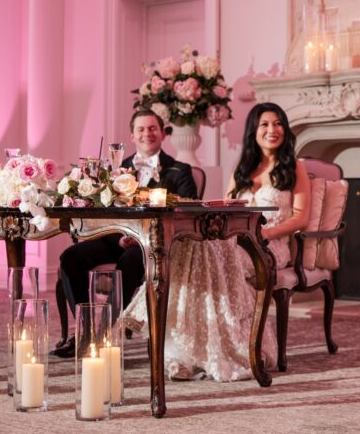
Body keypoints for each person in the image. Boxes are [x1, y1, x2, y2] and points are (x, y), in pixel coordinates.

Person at [121, 102, 311, 381]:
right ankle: (185, 353)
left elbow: (301, 218)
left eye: (278, 123)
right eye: (265, 125)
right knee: (193, 247)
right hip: (234, 240)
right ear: (254, 132)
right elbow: (224, 207)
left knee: (209, 257)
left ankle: (208, 348)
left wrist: (264, 234)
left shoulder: (294, 167)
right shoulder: (243, 168)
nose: (272, 130)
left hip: (270, 245)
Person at [52, 108, 197, 357]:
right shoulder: (116, 169)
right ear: (131, 135)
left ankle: (105, 332)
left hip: (153, 244)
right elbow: (104, 212)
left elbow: (187, 210)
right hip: (115, 238)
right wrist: (119, 238)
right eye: (141, 129)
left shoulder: (180, 170)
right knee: (71, 257)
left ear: (162, 134)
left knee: (131, 261)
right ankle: (85, 330)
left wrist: (142, 236)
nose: (146, 134)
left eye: (152, 128)